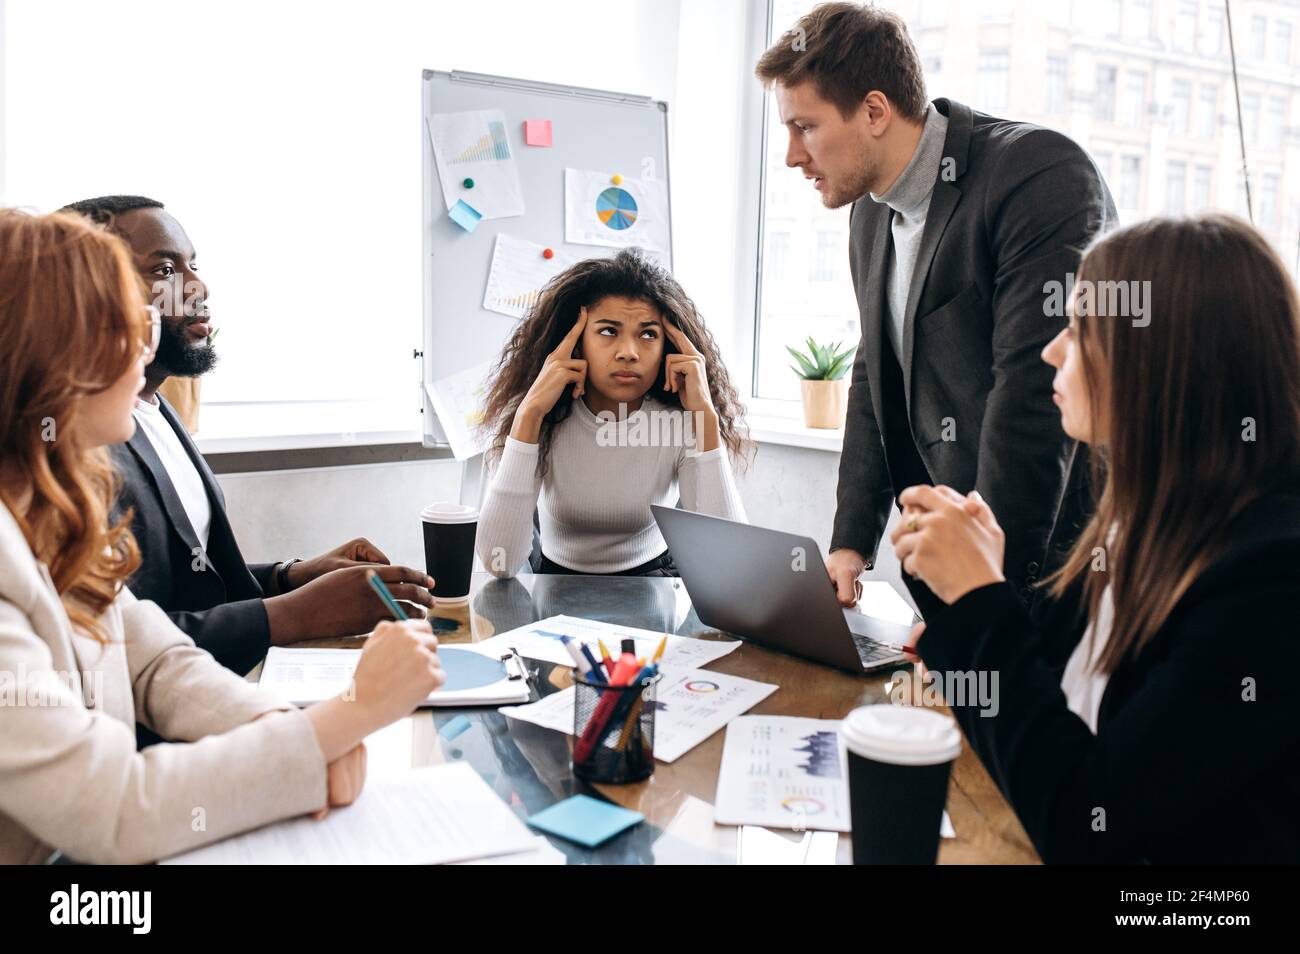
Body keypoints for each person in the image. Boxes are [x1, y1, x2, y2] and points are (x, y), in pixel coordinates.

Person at [0, 209, 445, 863]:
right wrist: (348, 713)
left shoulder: (50, 515)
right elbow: (115, 810)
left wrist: (294, 734)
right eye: (125, 326)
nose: (145, 347)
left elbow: (155, 661)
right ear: (51, 356)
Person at [890, 214, 1300, 863]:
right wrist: (970, 600)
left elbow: (1091, 822)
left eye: (1081, 329)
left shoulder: (1269, 579)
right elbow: (1054, 701)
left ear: (1162, 361)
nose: (1053, 349)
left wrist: (978, 602)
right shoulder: (1138, 520)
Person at [754, 3, 1117, 619]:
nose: (792, 155)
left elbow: (1032, 399)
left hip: (1046, 573)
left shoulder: (1038, 175)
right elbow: (876, 374)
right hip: (955, 573)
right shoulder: (870, 211)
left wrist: (979, 598)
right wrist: (849, 543)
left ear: (874, 110)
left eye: (805, 128)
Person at [60, 196, 434, 676]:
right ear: (92, 290)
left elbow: (192, 582)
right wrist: (297, 613)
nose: (197, 286)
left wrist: (291, 577)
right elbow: (121, 644)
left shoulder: (158, 408)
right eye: (166, 269)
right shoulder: (76, 443)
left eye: (193, 264)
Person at [476, 249, 749, 577]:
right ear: (577, 343)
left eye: (648, 334)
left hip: (657, 581)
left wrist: (706, 417)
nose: (629, 353)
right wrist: (528, 414)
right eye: (608, 331)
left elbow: (729, 561)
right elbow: (498, 563)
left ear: (668, 346)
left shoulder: (681, 421)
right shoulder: (538, 416)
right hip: (555, 581)